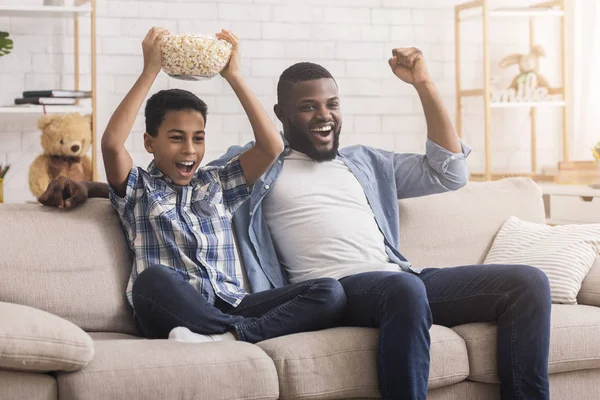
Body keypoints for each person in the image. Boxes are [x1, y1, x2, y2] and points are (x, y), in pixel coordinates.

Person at [40, 47, 551, 400]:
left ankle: (230, 335)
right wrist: (90, 187)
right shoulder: (256, 167)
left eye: (331, 104)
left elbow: (450, 172)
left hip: (395, 278)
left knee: (528, 282)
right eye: (308, 107)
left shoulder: (364, 162)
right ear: (282, 113)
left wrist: (424, 83)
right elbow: (165, 180)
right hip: (344, 289)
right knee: (395, 293)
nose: (324, 116)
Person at [87, 26, 347, 345]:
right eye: (176, 138)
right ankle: (232, 330)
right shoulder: (138, 189)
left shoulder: (217, 182)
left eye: (198, 138)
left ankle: (229, 335)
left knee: (329, 291)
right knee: (152, 280)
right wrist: (150, 70)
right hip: (174, 308)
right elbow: (112, 144)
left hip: (232, 303)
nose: (189, 150)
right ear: (149, 142)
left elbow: (271, 146)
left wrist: (233, 76)